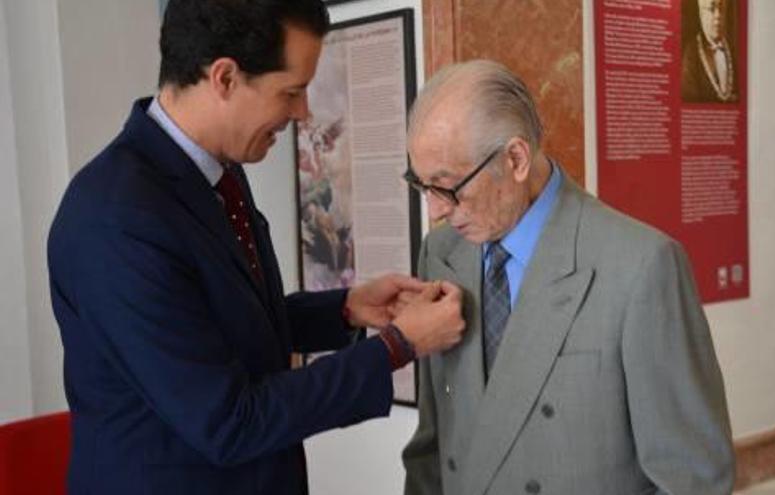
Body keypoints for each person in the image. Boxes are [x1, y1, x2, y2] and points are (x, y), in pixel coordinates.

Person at [47, 1, 465, 494]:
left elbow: (221, 323)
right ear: (224, 78)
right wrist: (399, 346)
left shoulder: (218, 174)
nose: (303, 112)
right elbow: (229, 421)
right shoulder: (115, 219)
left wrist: (346, 310)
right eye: (291, 92)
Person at [401, 60, 735, 494]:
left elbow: (693, 479)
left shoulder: (641, 267)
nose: (435, 210)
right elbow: (432, 444)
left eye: (447, 187)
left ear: (516, 159)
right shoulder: (442, 254)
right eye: (420, 184)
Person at [682, 0, 738, 103]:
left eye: (721, 9)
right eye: (711, 9)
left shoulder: (733, 52)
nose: (718, 16)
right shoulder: (691, 54)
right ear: (701, 14)